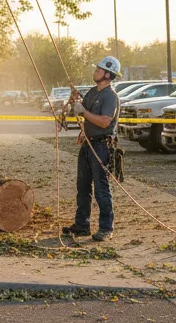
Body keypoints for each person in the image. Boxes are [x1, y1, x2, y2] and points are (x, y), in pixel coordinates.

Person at [63, 56, 121, 242]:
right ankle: (82, 225)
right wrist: (74, 102)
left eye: (99, 70)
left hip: (102, 146)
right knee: (83, 186)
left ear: (107, 74)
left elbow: (105, 121)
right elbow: (79, 110)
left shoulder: (110, 96)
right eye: (96, 69)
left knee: (101, 188)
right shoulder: (92, 92)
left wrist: (83, 112)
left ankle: (106, 227)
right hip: (88, 145)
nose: (95, 72)